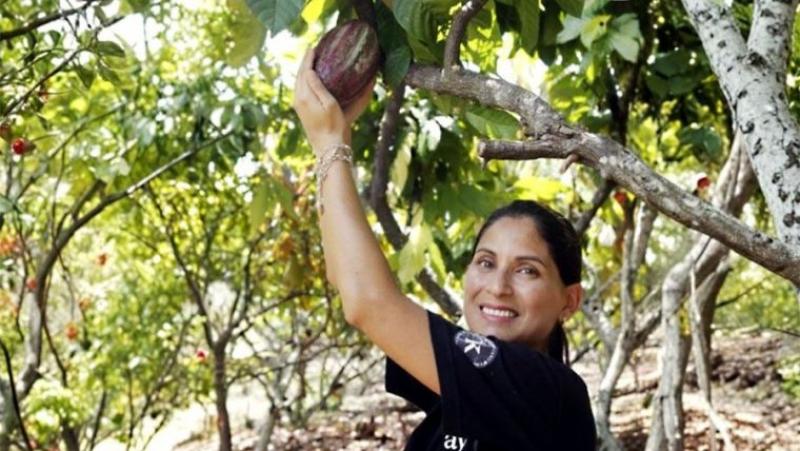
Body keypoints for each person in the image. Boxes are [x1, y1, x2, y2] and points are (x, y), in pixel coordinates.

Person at [293, 48, 596, 450]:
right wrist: (333, 146)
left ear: (569, 301)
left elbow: (367, 302)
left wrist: (329, 143)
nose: (498, 286)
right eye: (486, 262)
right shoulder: (474, 384)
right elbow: (344, 276)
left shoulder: (544, 389)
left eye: (527, 270)